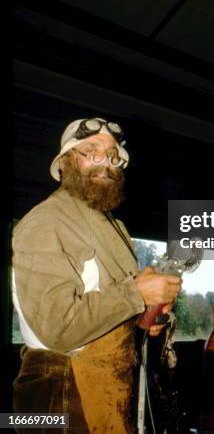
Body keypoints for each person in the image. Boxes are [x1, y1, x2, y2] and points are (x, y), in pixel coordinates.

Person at [12, 117, 182, 433]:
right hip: (57, 390)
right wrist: (137, 294)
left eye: (113, 155)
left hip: (109, 381)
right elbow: (57, 327)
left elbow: (110, 305)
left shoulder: (112, 225)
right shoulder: (46, 220)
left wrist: (147, 315)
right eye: (90, 151)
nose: (105, 163)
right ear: (64, 163)